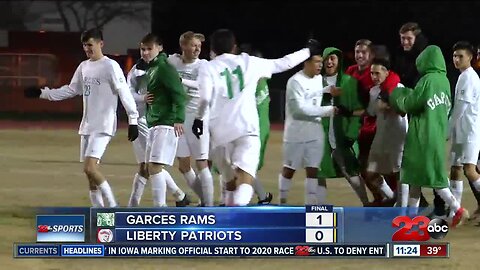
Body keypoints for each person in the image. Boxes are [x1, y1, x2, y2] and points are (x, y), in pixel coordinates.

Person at [194, 29, 320, 206]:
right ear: (234, 47)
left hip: (219, 132)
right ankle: (236, 214)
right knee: (245, 181)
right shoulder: (249, 62)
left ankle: (229, 220)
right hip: (246, 129)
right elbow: (283, 63)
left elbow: (205, 98)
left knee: (229, 182)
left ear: (212, 49)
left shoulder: (207, 67)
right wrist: (307, 51)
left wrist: (199, 119)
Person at [24, 28, 139, 207]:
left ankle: (113, 208)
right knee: (90, 174)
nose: (87, 48)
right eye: (85, 45)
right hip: (87, 126)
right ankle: (98, 210)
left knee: (89, 167)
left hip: (103, 125)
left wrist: (133, 119)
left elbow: (124, 93)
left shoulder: (110, 66)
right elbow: (71, 90)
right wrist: (42, 93)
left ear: (101, 44)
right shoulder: (84, 66)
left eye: (90, 45)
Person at [389, 45, 468, 227]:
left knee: (433, 177)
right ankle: (410, 220)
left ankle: (457, 209)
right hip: (438, 133)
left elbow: (411, 103)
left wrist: (398, 94)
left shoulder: (427, 80)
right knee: (415, 178)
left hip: (422, 135)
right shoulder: (445, 81)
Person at [126, 34, 189, 207]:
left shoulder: (162, 67)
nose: (145, 52)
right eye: (142, 49)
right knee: (150, 167)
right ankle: (176, 198)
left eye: (149, 49)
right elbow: (127, 93)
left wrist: (178, 118)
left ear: (160, 48)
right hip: (145, 121)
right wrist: (141, 99)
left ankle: (156, 207)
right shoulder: (142, 69)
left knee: (152, 167)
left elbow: (179, 94)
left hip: (162, 122)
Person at [278, 53, 338, 205]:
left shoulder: (318, 79)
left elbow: (312, 93)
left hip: (315, 133)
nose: (320, 65)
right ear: (306, 63)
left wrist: (326, 90)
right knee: (289, 169)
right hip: (295, 135)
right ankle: (282, 199)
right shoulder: (295, 81)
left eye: (321, 62)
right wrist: (328, 110)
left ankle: (310, 204)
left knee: (313, 170)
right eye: (317, 62)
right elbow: (299, 110)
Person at [317, 47, 369, 206]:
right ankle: (320, 209)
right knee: (318, 173)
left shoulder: (348, 82)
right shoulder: (316, 82)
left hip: (342, 135)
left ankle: (366, 204)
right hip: (320, 135)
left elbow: (359, 110)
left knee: (350, 172)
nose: (329, 62)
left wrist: (352, 133)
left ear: (339, 61)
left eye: (333, 58)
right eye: (327, 59)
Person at [167, 31, 214, 206]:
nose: (197, 49)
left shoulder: (203, 66)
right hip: (178, 120)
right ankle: (205, 200)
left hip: (197, 120)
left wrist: (180, 80)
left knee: (202, 163)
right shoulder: (173, 61)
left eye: (199, 46)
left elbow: (201, 86)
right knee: (184, 166)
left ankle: (208, 208)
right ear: (183, 46)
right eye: (194, 45)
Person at [364, 57, 408, 206]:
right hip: (381, 136)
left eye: (377, 73)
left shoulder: (399, 88)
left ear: (386, 72)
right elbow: (371, 112)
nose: (374, 77)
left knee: (398, 172)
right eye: (372, 73)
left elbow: (403, 109)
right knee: (371, 172)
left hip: (397, 137)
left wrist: (389, 106)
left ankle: (402, 206)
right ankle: (392, 198)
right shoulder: (373, 91)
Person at [448, 41, 480, 218]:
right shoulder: (463, 76)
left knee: (470, 169)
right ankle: (455, 211)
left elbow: (460, 108)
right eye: (454, 56)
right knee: (456, 169)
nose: (456, 59)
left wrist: (447, 129)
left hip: (470, 132)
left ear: (470, 57)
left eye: (460, 56)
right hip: (461, 131)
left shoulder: (469, 77)